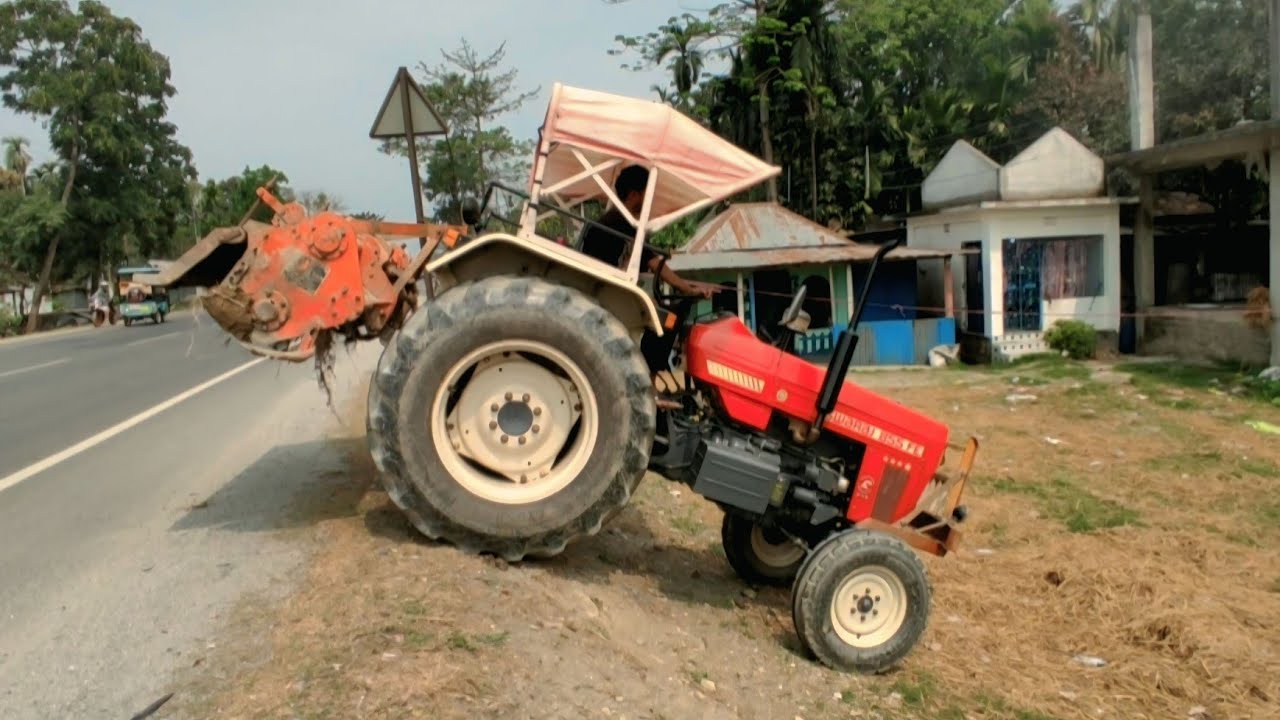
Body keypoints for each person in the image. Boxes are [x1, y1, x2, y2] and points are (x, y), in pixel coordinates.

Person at [579, 165, 719, 300]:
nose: (650, 200)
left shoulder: (614, 219)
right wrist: (688, 290)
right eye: (647, 194)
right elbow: (654, 263)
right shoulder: (622, 224)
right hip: (603, 290)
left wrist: (688, 286)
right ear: (634, 195)